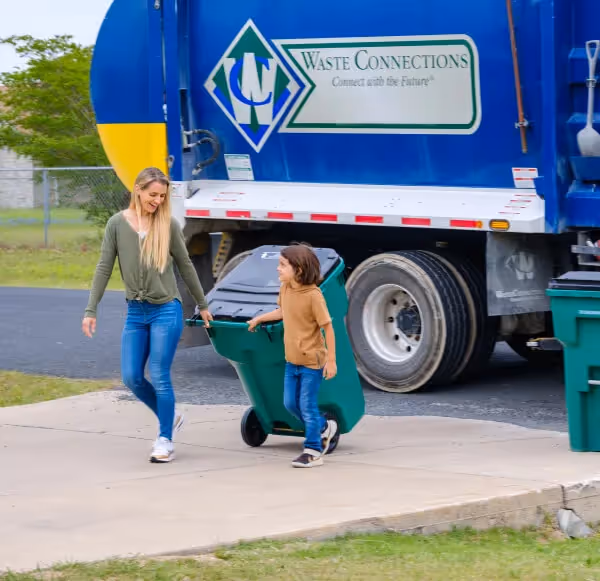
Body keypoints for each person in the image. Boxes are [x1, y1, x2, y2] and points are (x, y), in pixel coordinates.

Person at [81, 167, 213, 464]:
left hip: (166, 309)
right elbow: (104, 267)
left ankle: (165, 438)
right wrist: (91, 309)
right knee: (131, 377)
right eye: (153, 194)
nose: (157, 200)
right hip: (136, 312)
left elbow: (186, 266)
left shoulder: (168, 225)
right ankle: (172, 415)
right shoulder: (117, 224)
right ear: (137, 190)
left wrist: (202, 304)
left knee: (160, 375)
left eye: (162, 196)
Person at [247, 244, 338, 468]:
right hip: (292, 361)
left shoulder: (314, 296)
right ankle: (324, 426)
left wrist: (331, 360)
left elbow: (328, 327)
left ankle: (313, 450)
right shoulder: (286, 288)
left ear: (298, 269)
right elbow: (282, 312)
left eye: (282, 265)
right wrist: (260, 318)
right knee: (290, 404)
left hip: (311, 362)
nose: (278, 269)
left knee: (306, 405)